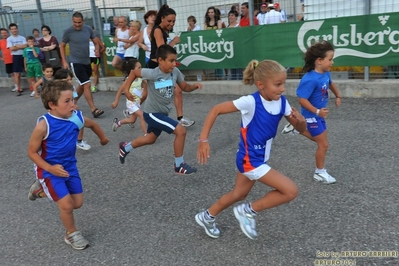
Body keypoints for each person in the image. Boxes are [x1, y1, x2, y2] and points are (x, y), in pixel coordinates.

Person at [195, 60, 306, 240]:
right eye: (277, 84)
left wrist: (301, 121)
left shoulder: (282, 103)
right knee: (291, 191)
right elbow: (216, 109)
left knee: (238, 194)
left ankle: (207, 216)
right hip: (250, 161)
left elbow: (301, 130)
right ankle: (248, 211)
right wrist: (203, 139)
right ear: (261, 85)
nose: (283, 88)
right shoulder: (251, 102)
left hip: (257, 159)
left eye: (283, 84)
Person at [26, 80, 106, 250]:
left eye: (73, 100)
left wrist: (103, 138)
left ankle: (40, 191)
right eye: (67, 101)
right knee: (67, 205)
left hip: (70, 167)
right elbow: (32, 152)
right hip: (48, 170)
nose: (73, 104)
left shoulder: (75, 118)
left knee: (77, 203)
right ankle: (71, 233)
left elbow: (91, 124)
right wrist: (49, 168)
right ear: (52, 105)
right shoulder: (44, 125)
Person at [118, 45, 202, 175]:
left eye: (175, 60)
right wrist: (126, 90)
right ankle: (179, 165)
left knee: (150, 139)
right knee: (181, 131)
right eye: (171, 61)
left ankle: (125, 147)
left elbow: (184, 87)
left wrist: (194, 86)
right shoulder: (153, 73)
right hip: (152, 114)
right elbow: (134, 73)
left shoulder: (175, 73)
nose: (174, 64)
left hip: (162, 113)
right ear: (160, 60)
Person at [281, 41, 342, 184]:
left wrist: (338, 95)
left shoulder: (325, 73)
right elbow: (302, 100)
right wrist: (317, 111)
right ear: (319, 61)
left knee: (321, 140)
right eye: (330, 59)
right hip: (311, 116)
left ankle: (297, 127)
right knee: (323, 144)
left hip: (318, 115)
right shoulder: (309, 79)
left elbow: (330, 83)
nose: (332, 62)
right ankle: (319, 172)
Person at [147, 4, 195, 127]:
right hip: (155, 67)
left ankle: (181, 118)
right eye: (169, 21)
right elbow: (162, 51)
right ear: (162, 18)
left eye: (173, 21)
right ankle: (132, 111)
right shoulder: (157, 30)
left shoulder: (164, 30)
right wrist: (173, 42)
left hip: (165, 67)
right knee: (149, 94)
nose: (172, 23)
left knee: (176, 89)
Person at [60, 11, 105, 118]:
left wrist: (97, 50)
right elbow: (61, 46)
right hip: (75, 62)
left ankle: (72, 102)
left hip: (86, 61)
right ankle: (94, 109)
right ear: (72, 21)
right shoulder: (68, 32)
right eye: (75, 22)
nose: (77, 24)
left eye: (79, 22)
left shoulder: (88, 29)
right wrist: (64, 61)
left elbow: (96, 42)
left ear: (83, 21)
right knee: (87, 84)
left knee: (82, 84)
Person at [111, 59, 148, 134]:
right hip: (131, 103)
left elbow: (148, 84)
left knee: (132, 120)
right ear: (132, 70)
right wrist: (116, 101)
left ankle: (118, 123)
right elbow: (120, 90)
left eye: (141, 67)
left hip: (137, 102)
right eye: (139, 68)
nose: (141, 69)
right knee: (142, 116)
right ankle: (146, 134)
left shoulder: (141, 78)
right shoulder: (129, 80)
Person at [7, 23, 27, 96]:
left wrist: (16, 46)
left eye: (15, 28)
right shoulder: (9, 39)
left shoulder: (22, 38)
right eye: (12, 29)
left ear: (17, 29)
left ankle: (33, 87)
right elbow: (11, 48)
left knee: (28, 72)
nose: (14, 30)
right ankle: (18, 88)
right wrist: (20, 46)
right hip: (16, 57)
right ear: (10, 30)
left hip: (24, 56)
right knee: (17, 74)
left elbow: (25, 46)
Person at [89, 26, 105, 93]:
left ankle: (94, 86)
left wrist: (99, 52)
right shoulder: (85, 39)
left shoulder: (96, 39)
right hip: (88, 57)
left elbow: (103, 48)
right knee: (87, 71)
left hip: (96, 57)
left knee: (95, 71)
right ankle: (86, 86)